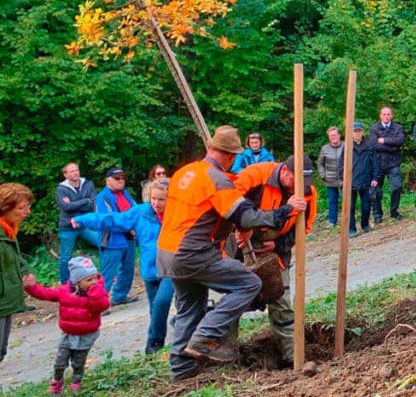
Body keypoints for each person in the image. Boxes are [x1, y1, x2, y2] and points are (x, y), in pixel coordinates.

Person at [157, 125, 306, 381]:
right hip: (193, 252)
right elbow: (246, 216)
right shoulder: (217, 180)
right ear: (230, 156)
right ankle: (207, 335)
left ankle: (181, 371)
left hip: (167, 254)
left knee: (190, 308)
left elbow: (207, 212)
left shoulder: (186, 172)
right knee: (248, 283)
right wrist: (282, 212)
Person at [232, 157, 317, 367]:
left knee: (282, 301)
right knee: (235, 301)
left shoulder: (308, 193)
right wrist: (242, 228)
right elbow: (228, 204)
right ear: (285, 172)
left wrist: (279, 244)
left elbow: (304, 228)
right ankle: (228, 356)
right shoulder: (255, 176)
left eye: (305, 183)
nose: (301, 188)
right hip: (241, 248)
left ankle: (292, 357)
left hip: (277, 252)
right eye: (297, 182)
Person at [74, 177, 172, 354]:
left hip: (173, 269)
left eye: (161, 199)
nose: (156, 203)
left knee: (162, 302)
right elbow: (112, 220)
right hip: (151, 270)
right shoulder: (141, 212)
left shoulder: (177, 214)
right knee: (155, 310)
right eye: (153, 198)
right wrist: (84, 220)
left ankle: (159, 344)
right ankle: (155, 349)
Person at [24, 257, 109, 395]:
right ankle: (57, 380)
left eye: (95, 278)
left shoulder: (97, 292)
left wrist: (94, 293)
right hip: (68, 334)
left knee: (78, 362)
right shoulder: (64, 292)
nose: (94, 282)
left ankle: (76, 382)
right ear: (77, 281)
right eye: (89, 280)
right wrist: (31, 287)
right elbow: (46, 293)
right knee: (60, 361)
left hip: (87, 334)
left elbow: (103, 306)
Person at [0, 182, 35, 364]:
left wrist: (25, 271)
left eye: (27, 207)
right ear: (5, 209)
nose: (27, 212)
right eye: (21, 208)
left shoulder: (8, 230)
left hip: (7, 301)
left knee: (1, 350)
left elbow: (15, 257)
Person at [94, 167, 139, 306]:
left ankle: (119, 296)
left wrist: (135, 227)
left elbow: (135, 210)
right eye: (117, 178)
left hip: (128, 239)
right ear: (108, 181)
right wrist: (128, 228)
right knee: (108, 273)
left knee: (128, 269)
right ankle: (99, 304)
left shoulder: (126, 194)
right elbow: (108, 219)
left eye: (123, 178)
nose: (121, 181)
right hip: (111, 240)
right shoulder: (102, 197)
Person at [55, 163, 99, 284]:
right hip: (67, 227)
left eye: (76, 170)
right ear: (65, 174)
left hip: (85, 224)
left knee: (103, 244)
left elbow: (93, 204)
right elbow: (66, 207)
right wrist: (85, 200)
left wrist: (75, 204)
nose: (75, 173)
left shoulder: (88, 184)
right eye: (72, 171)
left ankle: (106, 275)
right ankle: (65, 282)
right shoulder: (61, 189)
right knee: (66, 257)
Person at [338, 122, 379, 235]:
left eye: (359, 131)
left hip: (366, 180)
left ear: (362, 132)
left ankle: (365, 225)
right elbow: (341, 165)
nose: (357, 133)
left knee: (366, 206)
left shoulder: (369, 146)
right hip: (351, 182)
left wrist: (375, 177)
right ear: (351, 133)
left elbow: (375, 163)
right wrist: (343, 179)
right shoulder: (346, 147)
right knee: (350, 207)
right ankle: (351, 229)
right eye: (355, 131)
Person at [370, 107, 406, 221]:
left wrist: (384, 140)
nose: (386, 116)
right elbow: (373, 145)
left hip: (393, 162)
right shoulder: (374, 128)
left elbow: (399, 141)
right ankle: (377, 215)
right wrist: (392, 145)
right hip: (378, 164)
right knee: (376, 190)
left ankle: (394, 212)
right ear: (380, 116)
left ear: (391, 115)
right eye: (384, 114)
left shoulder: (398, 127)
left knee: (397, 187)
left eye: (388, 114)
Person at [316, 126, 344, 227]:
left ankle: (347, 220)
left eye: (334, 135)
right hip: (330, 180)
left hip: (344, 180)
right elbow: (319, 163)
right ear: (329, 137)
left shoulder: (346, 146)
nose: (333, 137)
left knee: (347, 200)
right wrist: (323, 175)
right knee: (332, 201)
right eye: (331, 136)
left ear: (339, 135)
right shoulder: (324, 148)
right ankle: (332, 221)